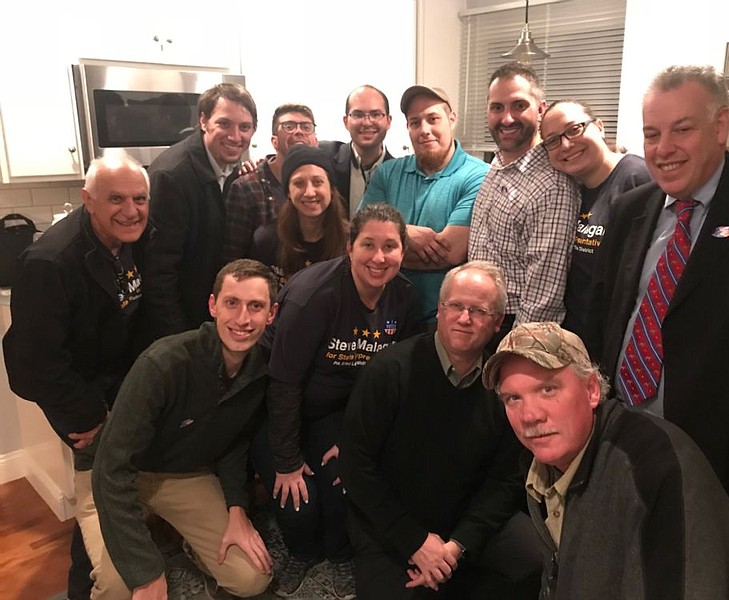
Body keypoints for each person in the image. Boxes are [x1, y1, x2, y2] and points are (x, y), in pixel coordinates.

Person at [588, 65, 729, 584]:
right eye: (652, 133)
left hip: (723, 457)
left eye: (682, 129)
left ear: (722, 124)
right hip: (626, 435)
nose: (664, 148)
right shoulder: (630, 209)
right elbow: (606, 321)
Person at [484, 321, 729, 598]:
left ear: (592, 390)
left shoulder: (654, 464)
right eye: (513, 398)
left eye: (548, 389)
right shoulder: (543, 465)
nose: (530, 415)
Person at [340, 261, 540, 600]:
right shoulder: (388, 371)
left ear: (496, 324)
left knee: (537, 560)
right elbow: (356, 467)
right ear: (440, 310)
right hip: (391, 525)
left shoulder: (505, 388)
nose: (464, 318)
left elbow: (506, 480)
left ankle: (448, 572)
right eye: (456, 306)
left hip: (464, 525)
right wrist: (415, 542)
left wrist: (457, 546)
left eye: (479, 310)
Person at [2, 153, 150, 598]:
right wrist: (87, 417)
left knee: (118, 483)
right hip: (79, 398)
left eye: (140, 198)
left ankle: (119, 567)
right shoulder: (49, 262)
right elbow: (30, 364)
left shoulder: (132, 241)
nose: (131, 209)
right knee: (103, 488)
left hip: (117, 386)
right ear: (87, 200)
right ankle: (87, 588)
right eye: (116, 199)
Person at [91, 259, 279, 599]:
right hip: (122, 475)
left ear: (271, 314)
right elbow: (110, 469)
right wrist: (147, 575)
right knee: (115, 589)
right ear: (213, 305)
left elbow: (235, 443)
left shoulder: (260, 373)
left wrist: (237, 508)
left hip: (184, 475)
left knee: (252, 578)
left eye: (256, 306)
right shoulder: (163, 363)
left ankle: (191, 545)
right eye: (231, 303)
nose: (242, 319)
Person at [261, 203, 422, 599]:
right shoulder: (312, 297)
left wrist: (358, 441)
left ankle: (338, 556)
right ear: (350, 247)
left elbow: (395, 379)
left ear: (403, 252)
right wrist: (286, 461)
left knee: (343, 482)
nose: (379, 257)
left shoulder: (404, 296)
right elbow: (283, 382)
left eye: (390, 246)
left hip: (342, 411)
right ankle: (301, 551)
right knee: (297, 502)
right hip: (284, 408)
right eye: (368, 244)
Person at [468, 63, 579, 349]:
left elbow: (545, 296)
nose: (506, 118)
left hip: (513, 327)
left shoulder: (553, 185)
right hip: (480, 317)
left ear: (540, 109)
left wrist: (516, 353)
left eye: (519, 105)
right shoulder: (497, 163)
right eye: (497, 108)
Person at [360, 85, 489, 323]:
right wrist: (405, 232)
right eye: (415, 122)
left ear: (451, 119)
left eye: (433, 119)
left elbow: (449, 254)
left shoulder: (479, 176)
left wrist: (385, 246)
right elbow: (358, 236)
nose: (424, 130)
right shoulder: (387, 173)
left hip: (444, 321)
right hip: (381, 315)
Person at [143, 83, 257, 343]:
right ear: (203, 121)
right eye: (225, 124)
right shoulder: (172, 177)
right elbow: (159, 274)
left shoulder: (229, 168)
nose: (236, 136)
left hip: (210, 318)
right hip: (182, 325)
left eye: (245, 127)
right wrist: (181, 343)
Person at [539, 99, 650, 340]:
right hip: (578, 336)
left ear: (599, 126)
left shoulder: (638, 179)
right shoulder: (570, 190)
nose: (566, 144)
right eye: (553, 140)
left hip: (619, 339)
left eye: (574, 129)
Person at [224, 103, 319, 263]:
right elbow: (232, 257)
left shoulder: (323, 185)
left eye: (306, 127)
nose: (298, 131)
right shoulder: (246, 188)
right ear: (274, 141)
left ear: (315, 141)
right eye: (288, 126)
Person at [250, 144, 348, 285]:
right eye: (299, 183)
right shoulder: (266, 239)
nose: (309, 192)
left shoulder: (350, 241)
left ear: (331, 189)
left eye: (317, 182)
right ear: (288, 192)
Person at [321, 85, 394, 217]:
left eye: (376, 114)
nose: (366, 122)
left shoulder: (397, 173)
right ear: (346, 121)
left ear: (388, 121)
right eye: (358, 114)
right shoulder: (325, 158)